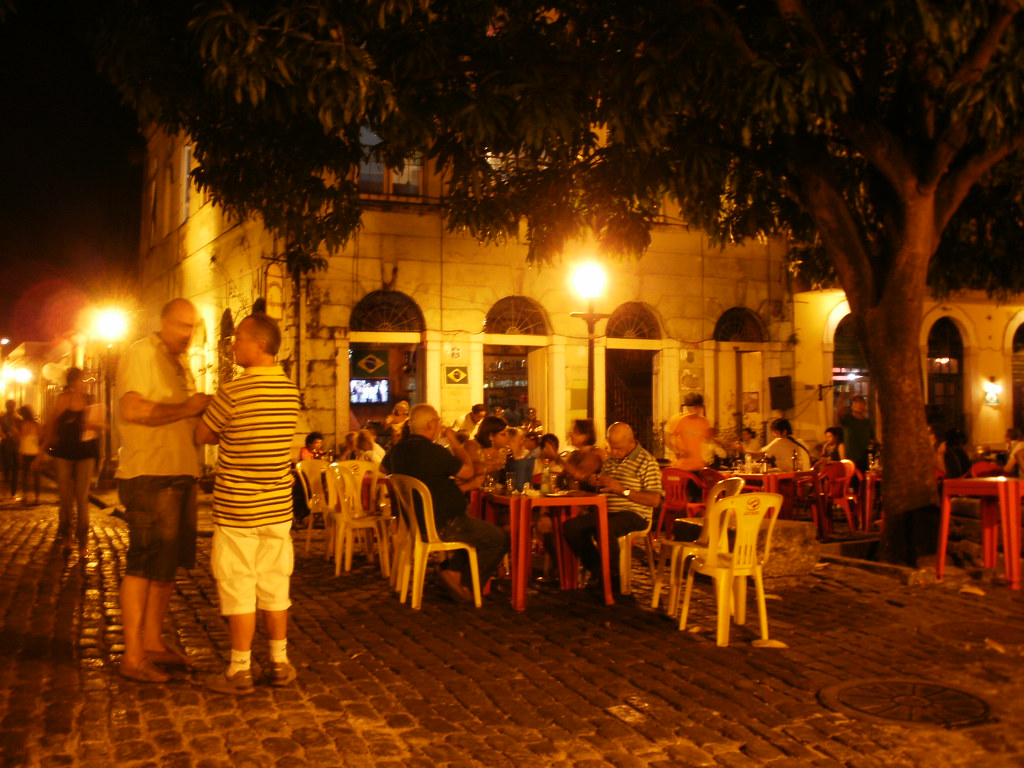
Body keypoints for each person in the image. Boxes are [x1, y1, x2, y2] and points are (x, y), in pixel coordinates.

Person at [196, 312, 301, 694]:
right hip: (277, 507)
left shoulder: (234, 391)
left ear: (259, 344)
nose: (232, 344)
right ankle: (279, 662)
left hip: (238, 508)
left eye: (238, 338)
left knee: (238, 584)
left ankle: (239, 669)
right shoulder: (290, 391)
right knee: (276, 584)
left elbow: (204, 434)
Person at [115, 298, 212, 684]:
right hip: (150, 475)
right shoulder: (142, 354)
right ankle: (133, 654)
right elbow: (133, 411)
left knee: (167, 567)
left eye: (192, 327)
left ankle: (152, 642)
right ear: (163, 321)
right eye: (180, 326)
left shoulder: (180, 363)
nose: (187, 334)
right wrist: (187, 409)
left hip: (180, 474)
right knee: (144, 562)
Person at [382, 404, 508, 603]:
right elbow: (468, 471)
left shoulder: (398, 450)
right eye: (438, 422)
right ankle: (465, 585)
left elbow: (384, 469)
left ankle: (453, 572)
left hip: (416, 521)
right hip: (444, 523)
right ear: (431, 424)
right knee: (498, 538)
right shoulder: (434, 452)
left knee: (474, 531)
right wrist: (456, 444)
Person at [563, 422, 663, 591]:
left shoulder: (647, 462)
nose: (614, 452)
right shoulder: (611, 461)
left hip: (635, 514)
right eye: (612, 447)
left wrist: (623, 490)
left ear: (631, 441)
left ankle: (612, 580)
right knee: (572, 527)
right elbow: (604, 485)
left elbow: (654, 500)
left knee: (606, 527)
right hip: (607, 511)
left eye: (618, 448)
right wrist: (595, 481)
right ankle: (599, 570)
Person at [38, 369, 102, 551]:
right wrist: (41, 452)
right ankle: (66, 537)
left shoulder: (91, 400)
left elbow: (102, 425)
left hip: (86, 454)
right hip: (63, 454)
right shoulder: (61, 400)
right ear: (73, 382)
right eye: (83, 379)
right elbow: (51, 428)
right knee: (66, 499)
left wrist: (94, 425)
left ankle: (83, 543)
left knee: (82, 500)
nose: (86, 382)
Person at [542, 419, 605, 492]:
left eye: (575, 432)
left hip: (590, 499)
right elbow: (564, 475)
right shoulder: (575, 454)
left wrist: (557, 457)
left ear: (586, 436)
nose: (570, 435)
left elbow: (579, 474)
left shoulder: (596, 453)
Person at [665, 393, 714, 471]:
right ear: (687, 407)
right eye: (694, 407)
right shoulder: (678, 420)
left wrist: (708, 458)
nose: (696, 410)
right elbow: (666, 437)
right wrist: (677, 451)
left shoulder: (703, 421)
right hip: (681, 466)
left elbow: (709, 440)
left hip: (699, 466)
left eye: (698, 407)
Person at [837, 393, 875, 472]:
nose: (859, 405)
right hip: (851, 458)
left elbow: (872, 439)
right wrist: (843, 397)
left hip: (865, 458)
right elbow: (840, 412)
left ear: (865, 406)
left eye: (861, 403)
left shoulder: (867, 422)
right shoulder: (848, 419)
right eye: (856, 402)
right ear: (852, 406)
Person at [17, 405, 42, 505]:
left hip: (26, 451)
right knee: (37, 476)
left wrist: (20, 453)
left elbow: (22, 439)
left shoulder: (23, 424)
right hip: (35, 451)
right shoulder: (36, 425)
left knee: (25, 475)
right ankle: (38, 497)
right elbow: (41, 437)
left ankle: (25, 495)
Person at [1, 399, 20, 498]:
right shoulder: (17, 418)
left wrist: (4, 436)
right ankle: (12, 492)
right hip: (12, 445)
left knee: (8, 469)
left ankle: (9, 490)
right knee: (12, 469)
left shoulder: (3, 417)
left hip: (9, 445)